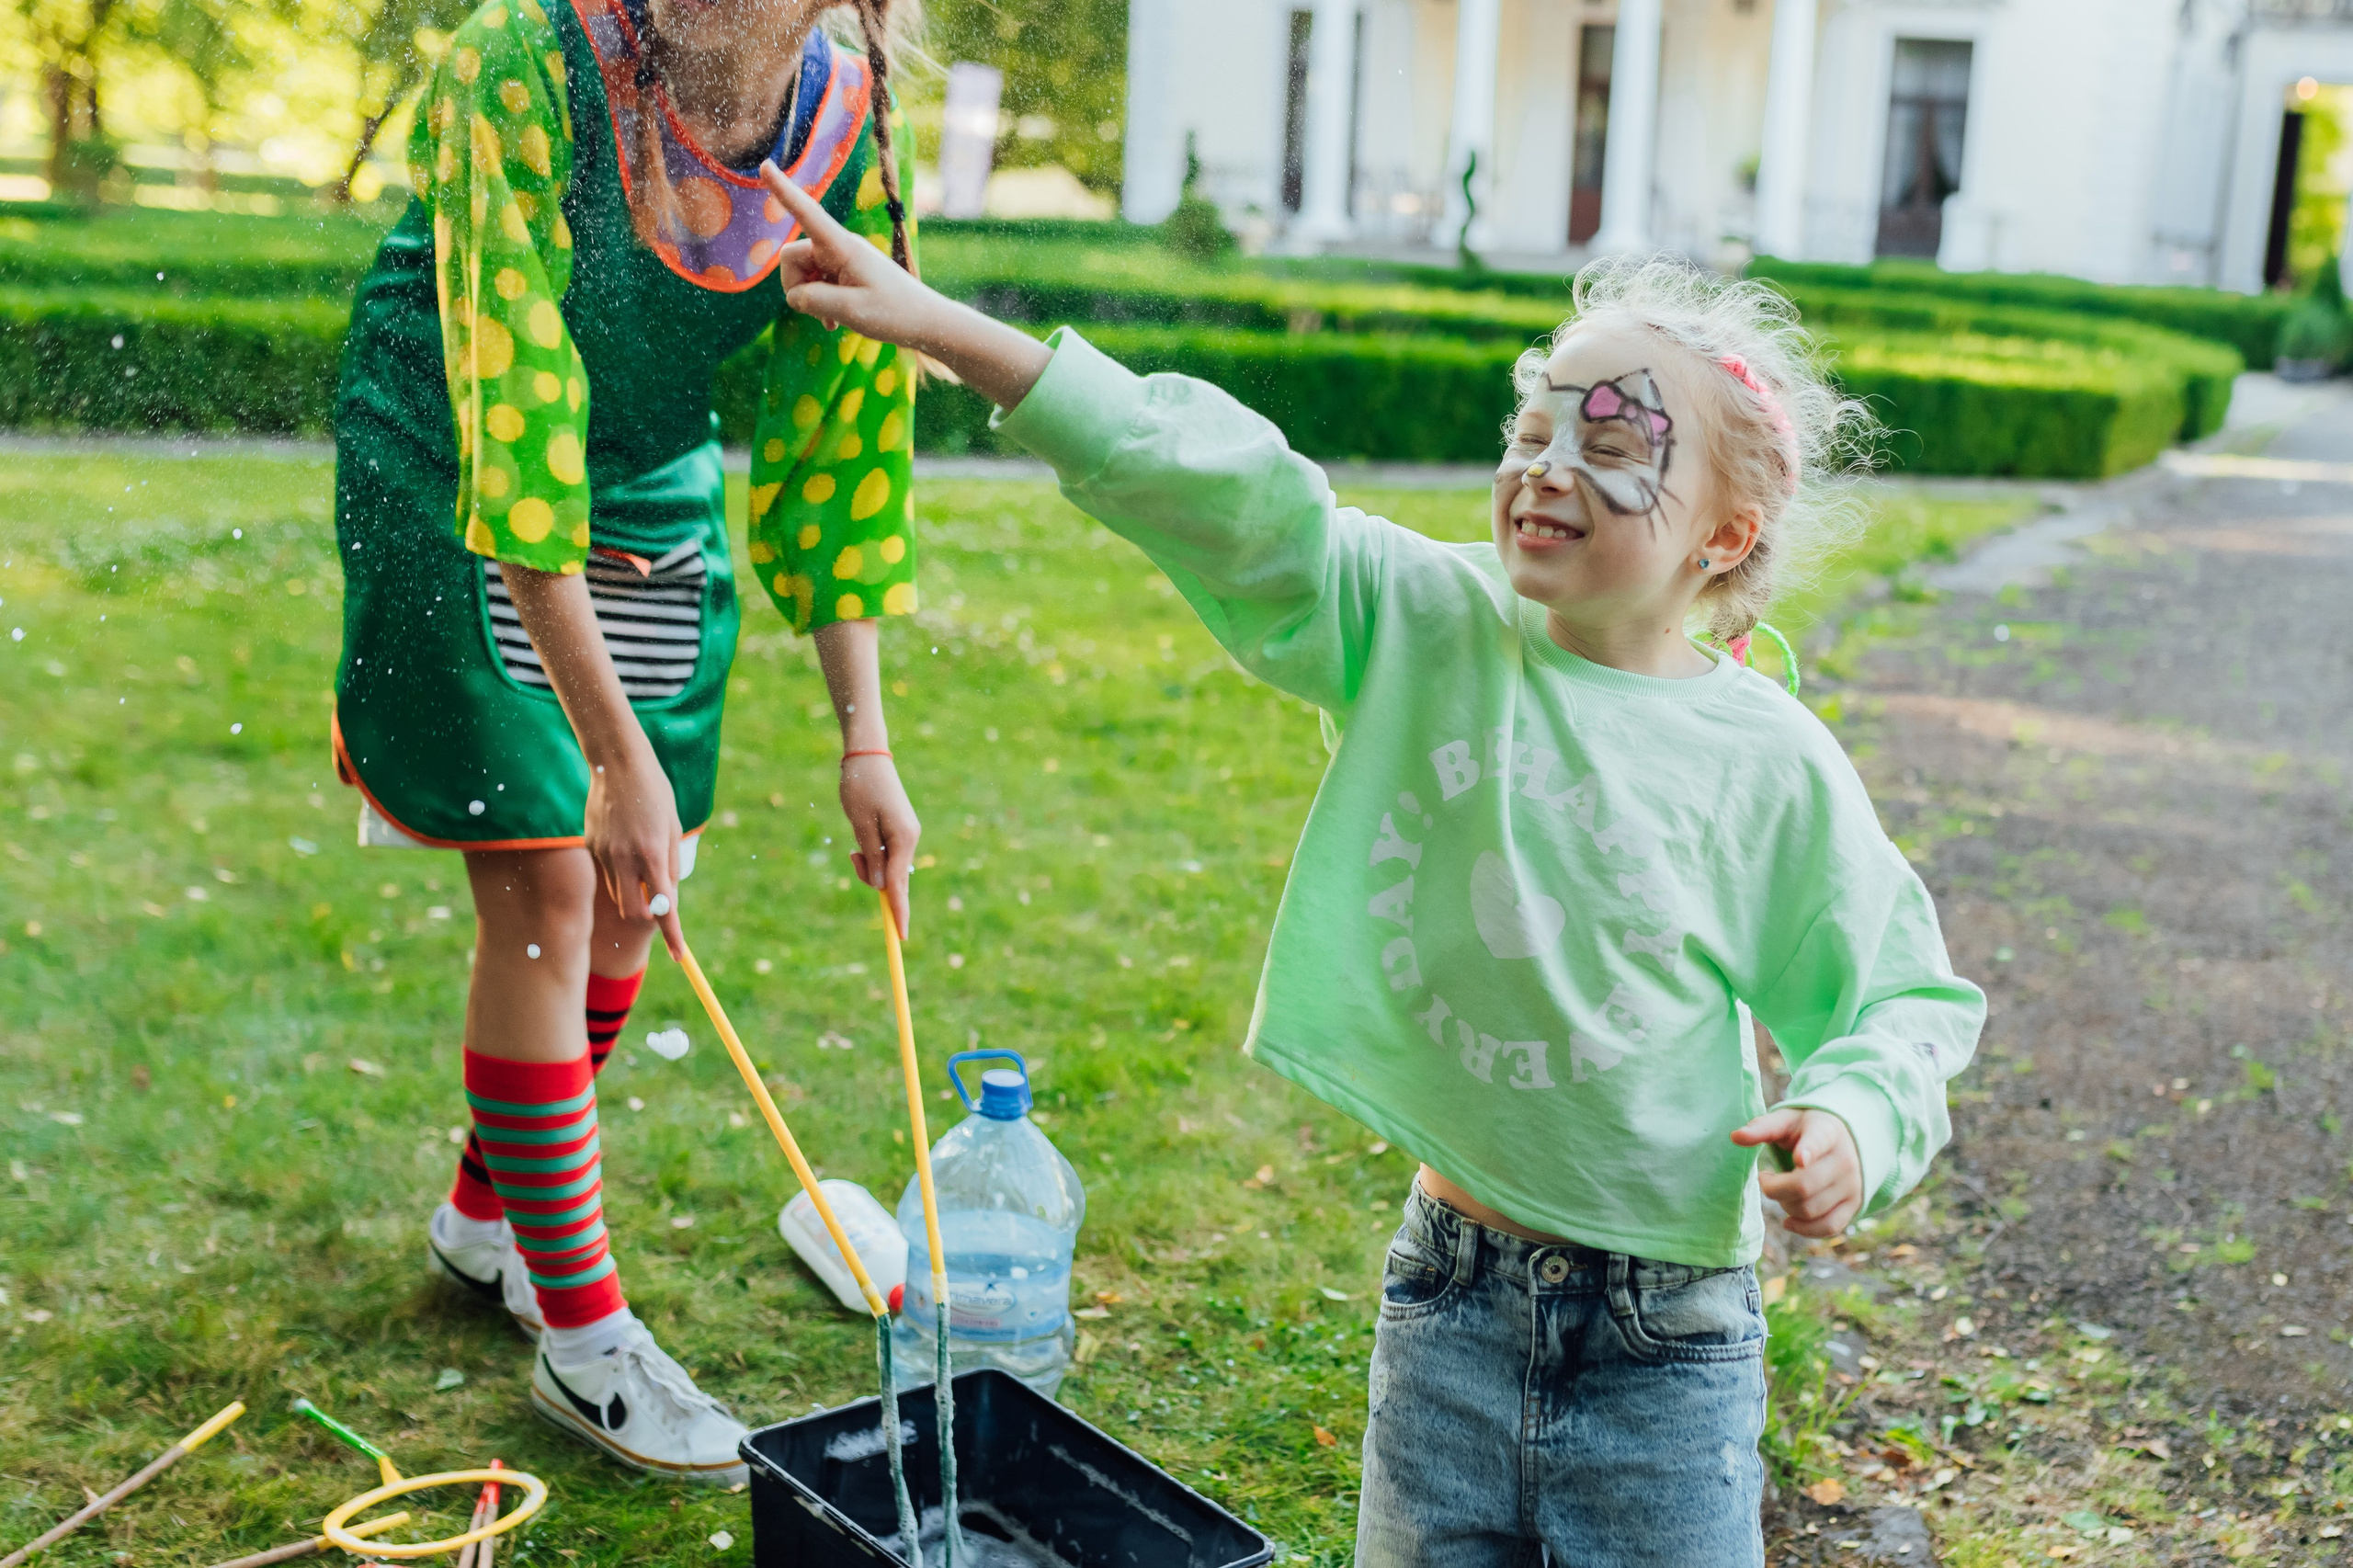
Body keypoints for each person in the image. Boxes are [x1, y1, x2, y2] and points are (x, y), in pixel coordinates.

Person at [757, 170, 1984, 1564]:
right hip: (1450, 1306)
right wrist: (958, 333)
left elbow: (1902, 1002)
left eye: (1610, 444)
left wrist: (1850, 1123)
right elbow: (1235, 504)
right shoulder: (1428, 620)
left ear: (1722, 535)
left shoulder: (1767, 760)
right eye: (1534, 429)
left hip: (1669, 1350)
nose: (1546, 468)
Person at [329, 0, 925, 1484]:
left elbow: (840, 434)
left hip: (645, 468)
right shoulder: (519, 65)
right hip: (451, 446)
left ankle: (491, 1222)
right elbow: (517, 434)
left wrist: (866, 741)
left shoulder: (840, 119)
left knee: (635, 890)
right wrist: (607, 750)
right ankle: (587, 1345)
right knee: (548, 873)